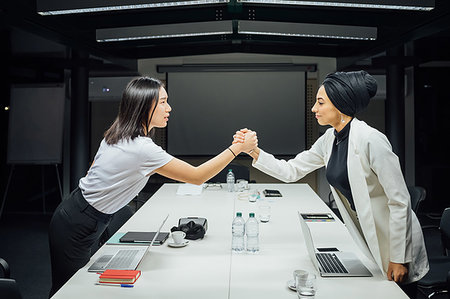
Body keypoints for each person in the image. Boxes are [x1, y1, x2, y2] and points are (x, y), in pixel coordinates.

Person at [48, 76, 257, 295]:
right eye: (163, 102)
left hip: (83, 213)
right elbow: (197, 176)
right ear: (145, 106)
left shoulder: (119, 132)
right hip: (77, 222)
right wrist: (237, 149)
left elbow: (93, 168)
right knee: (66, 291)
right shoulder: (141, 148)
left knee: (79, 288)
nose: (169, 107)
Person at [234, 71, 428, 298]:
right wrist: (253, 151)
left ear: (341, 103)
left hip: (395, 242)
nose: (314, 109)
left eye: (320, 102)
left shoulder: (371, 140)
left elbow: (399, 200)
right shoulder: (330, 139)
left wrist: (399, 257)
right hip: (368, 236)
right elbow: (291, 171)